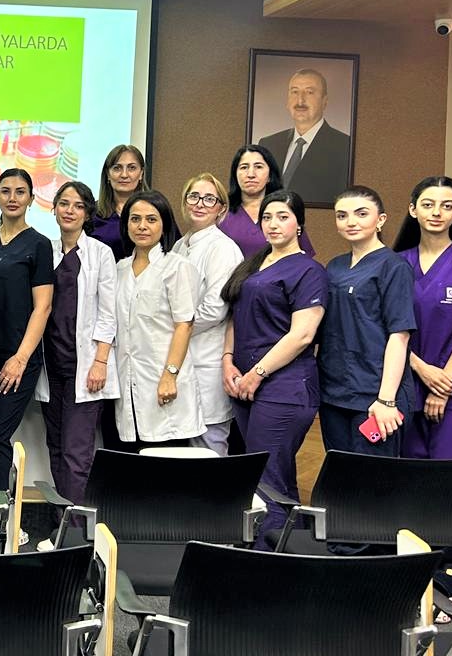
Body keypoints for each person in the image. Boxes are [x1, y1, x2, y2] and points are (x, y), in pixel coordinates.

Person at [220, 190, 327, 545]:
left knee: (267, 478)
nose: (273, 224)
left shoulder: (309, 270)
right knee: (273, 474)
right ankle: (291, 549)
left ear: (299, 224)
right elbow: (235, 315)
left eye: (283, 216)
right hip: (244, 384)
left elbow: (302, 335)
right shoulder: (254, 264)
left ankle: (267, 557)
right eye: (267, 217)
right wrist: (227, 360)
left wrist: (257, 374)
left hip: (284, 386)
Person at [391, 177, 452, 459]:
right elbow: (386, 328)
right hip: (405, 381)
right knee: (408, 472)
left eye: (447, 206)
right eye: (428, 205)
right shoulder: (395, 263)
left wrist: (443, 384)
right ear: (413, 210)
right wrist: (421, 369)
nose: (436, 212)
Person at [34, 181, 117, 515]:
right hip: (50, 365)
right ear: (53, 208)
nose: (70, 210)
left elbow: (108, 313)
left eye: (78, 205)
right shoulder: (45, 251)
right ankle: (60, 521)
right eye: (64, 203)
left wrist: (100, 361)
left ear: (87, 213)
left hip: (85, 368)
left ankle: (77, 530)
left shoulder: (100, 253)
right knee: (55, 446)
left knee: (76, 452)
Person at [317, 186, 417, 455]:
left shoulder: (394, 266)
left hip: (375, 394)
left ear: (380, 220)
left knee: (372, 477)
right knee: (339, 473)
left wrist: (386, 399)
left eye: (361, 214)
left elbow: (400, 335)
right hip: (334, 391)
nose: (351, 221)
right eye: (342, 215)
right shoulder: (334, 267)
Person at [0, 168, 54, 494]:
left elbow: (43, 307)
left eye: (20, 192)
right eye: (5, 191)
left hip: (17, 358)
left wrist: (20, 358)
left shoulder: (40, 245)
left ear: (31, 199)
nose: (12, 198)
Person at [114, 190, 202, 447]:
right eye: (135, 219)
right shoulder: (119, 269)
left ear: (164, 225)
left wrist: (170, 375)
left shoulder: (177, 267)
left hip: (164, 381)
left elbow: (184, 325)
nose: (142, 226)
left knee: (165, 460)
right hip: (127, 384)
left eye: (151, 219)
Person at [172, 173, 243, 454]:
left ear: (221, 208)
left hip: (206, 360)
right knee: (184, 446)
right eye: (194, 196)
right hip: (182, 359)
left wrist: (177, 331)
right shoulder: (180, 245)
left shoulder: (223, 248)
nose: (200, 204)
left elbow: (215, 308)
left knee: (209, 443)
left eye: (209, 199)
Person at [258, 67, 352, 203]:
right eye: (295, 92)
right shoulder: (268, 144)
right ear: (287, 101)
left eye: (309, 92)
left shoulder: (345, 147)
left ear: (325, 101)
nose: (300, 101)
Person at [219, 144, 316, 258]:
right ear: (235, 175)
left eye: (258, 167)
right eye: (244, 167)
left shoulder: (285, 211)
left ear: (270, 176)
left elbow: (304, 259)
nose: (251, 174)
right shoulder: (221, 212)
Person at [90, 144, 148, 260]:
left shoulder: (156, 211)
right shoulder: (91, 213)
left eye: (132, 168)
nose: (124, 175)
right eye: (117, 168)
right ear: (108, 174)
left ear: (141, 174)